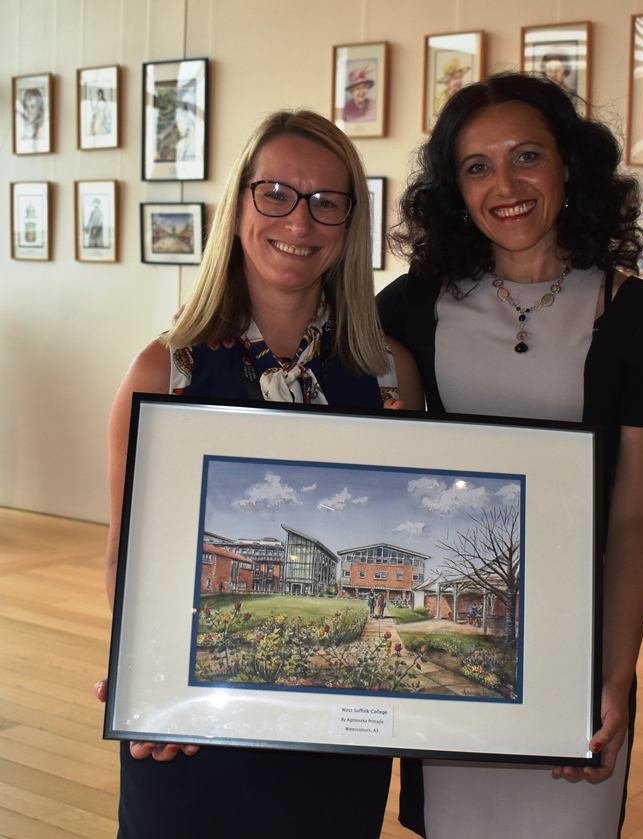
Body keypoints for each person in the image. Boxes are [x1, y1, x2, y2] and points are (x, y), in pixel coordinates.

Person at [98, 108, 422, 839]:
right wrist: (142, 679)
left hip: (337, 739)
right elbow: (128, 553)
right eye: (274, 192)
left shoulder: (391, 375)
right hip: (191, 729)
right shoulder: (163, 370)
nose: (298, 221)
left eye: (325, 202)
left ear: (348, 224)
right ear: (239, 203)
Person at [378, 71, 643, 838]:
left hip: (576, 650)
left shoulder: (639, 315)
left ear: (569, 166)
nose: (504, 185)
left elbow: (639, 511)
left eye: (526, 157)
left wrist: (612, 675)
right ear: (455, 188)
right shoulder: (408, 308)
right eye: (477, 166)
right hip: (457, 668)